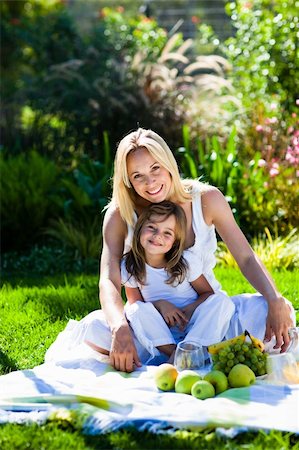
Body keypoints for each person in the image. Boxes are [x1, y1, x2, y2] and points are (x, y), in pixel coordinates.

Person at [45, 128, 295, 372]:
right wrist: (119, 327)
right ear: (127, 180)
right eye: (137, 175)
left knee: (270, 313)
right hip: (152, 325)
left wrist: (274, 299)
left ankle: (184, 353)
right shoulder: (120, 214)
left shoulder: (206, 199)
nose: (150, 182)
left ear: (169, 163)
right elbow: (109, 280)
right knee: (94, 329)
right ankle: (191, 355)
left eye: (155, 168)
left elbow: (245, 256)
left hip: (204, 316)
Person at [121, 200, 235, 362]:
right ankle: (178, 355)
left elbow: (207, 293)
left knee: (221, 301)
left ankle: (188, 350)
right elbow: (135, 304)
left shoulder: (185, 262)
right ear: (139, 229)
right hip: (160, 329)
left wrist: (188, 310)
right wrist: (161, 305)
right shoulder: (129, 265)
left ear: (175, 241)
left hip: (193, 324)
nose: (158, 235)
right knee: (135, 310)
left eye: (167, 233)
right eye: (152, 228)